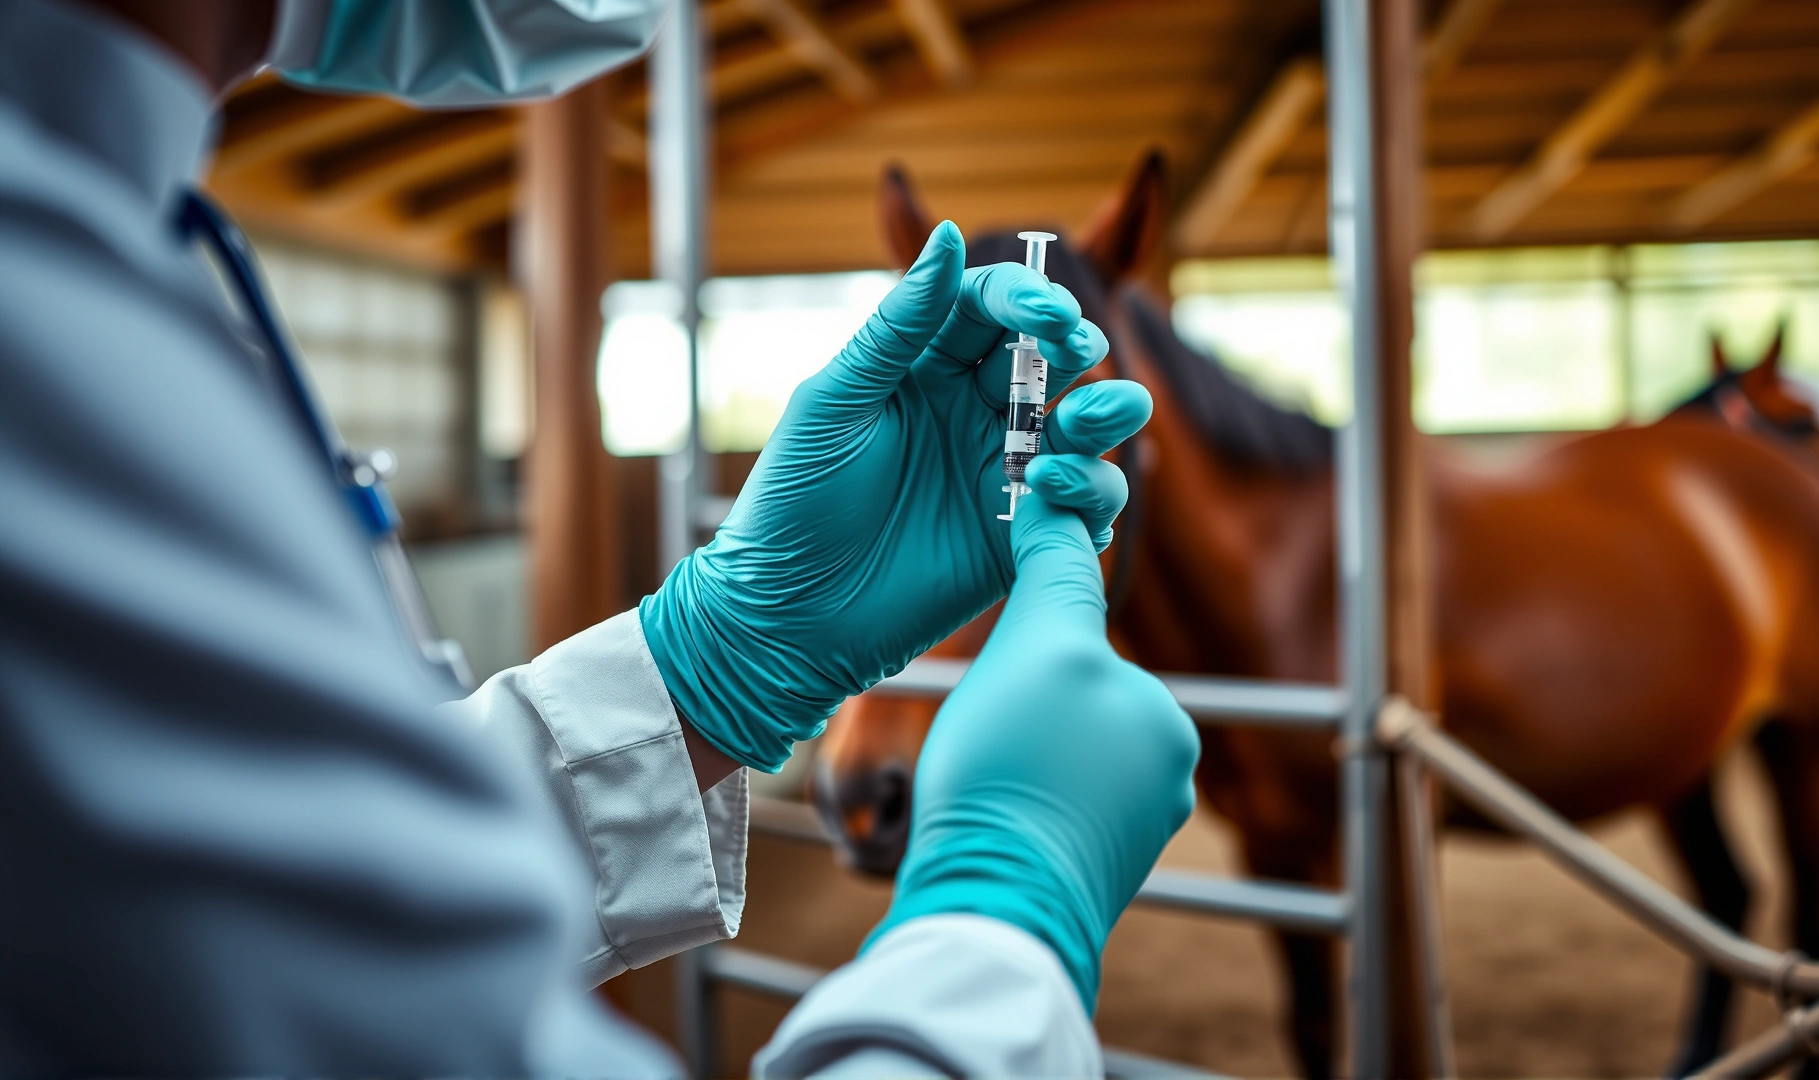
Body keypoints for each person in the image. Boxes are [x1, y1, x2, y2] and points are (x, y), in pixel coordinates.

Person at [0, 0, 1200, 1075]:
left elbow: (263, 906)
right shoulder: (39, 331)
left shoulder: (119, 218)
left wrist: (717, 662)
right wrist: (1002, 920)